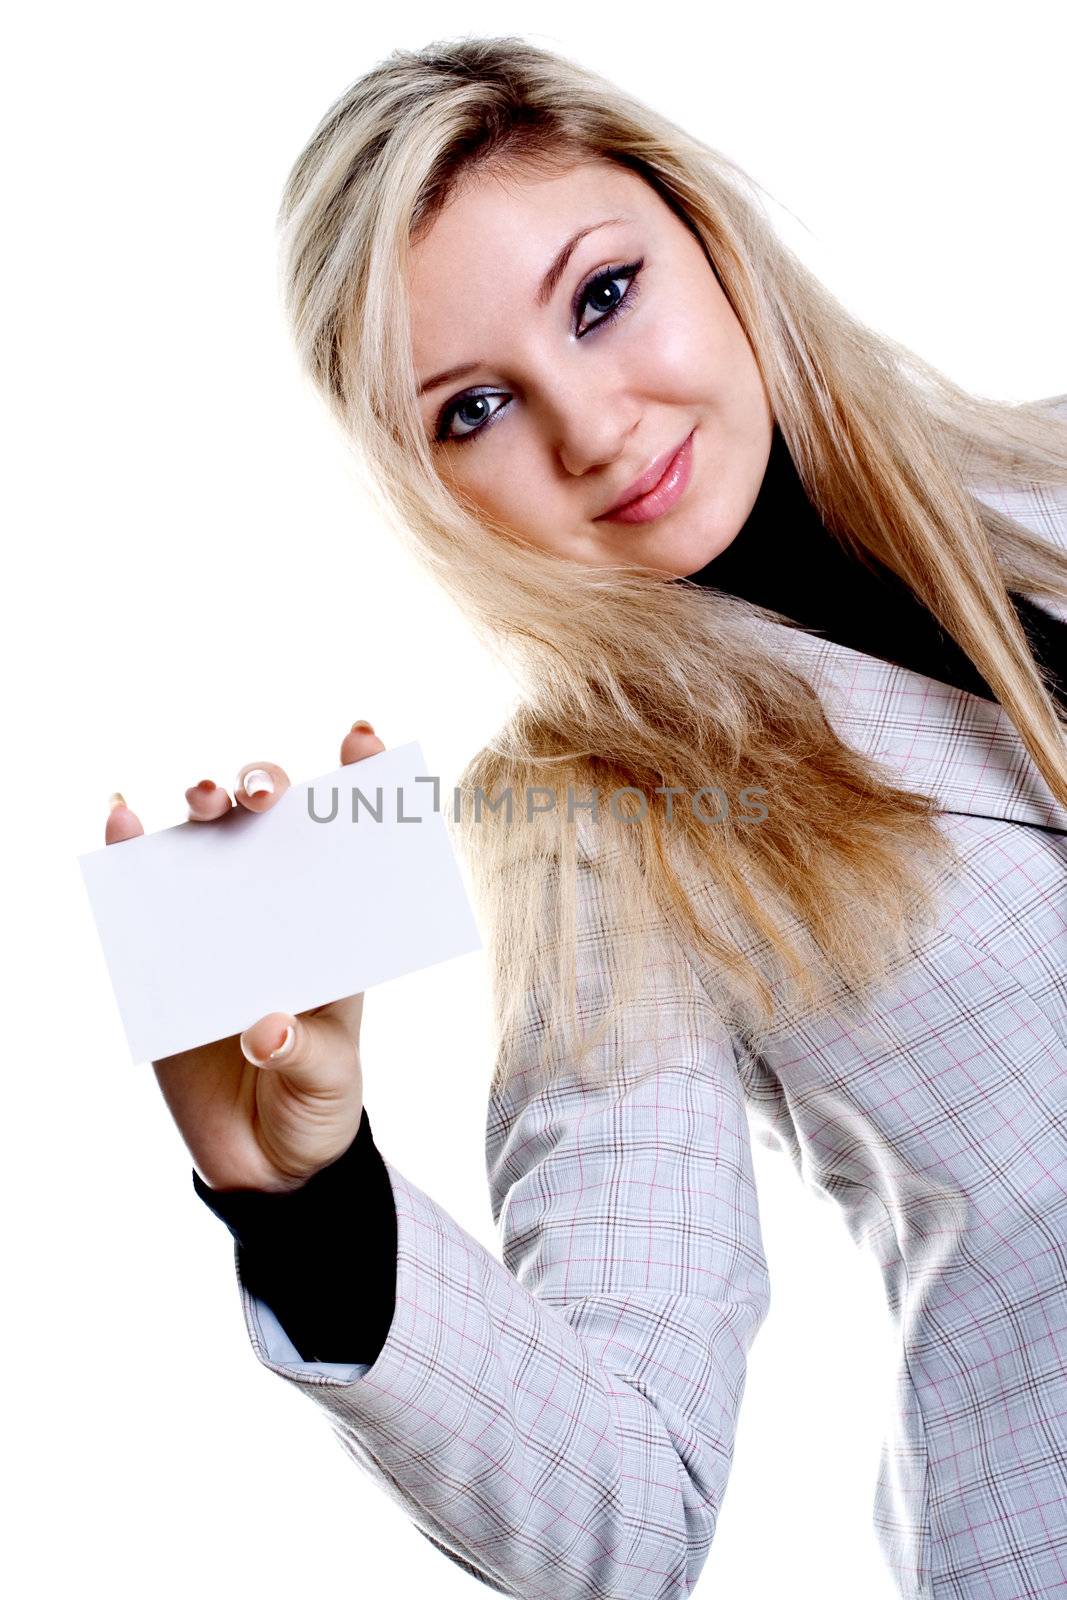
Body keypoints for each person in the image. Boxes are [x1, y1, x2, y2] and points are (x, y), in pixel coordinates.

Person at [103, 36, 1067, 1600]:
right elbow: (620, 1519)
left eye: (602, 297)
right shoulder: (593, 826)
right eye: (476, 407)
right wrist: (306, 1199)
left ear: (701, 230)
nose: (597, 429)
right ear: (426, 487)